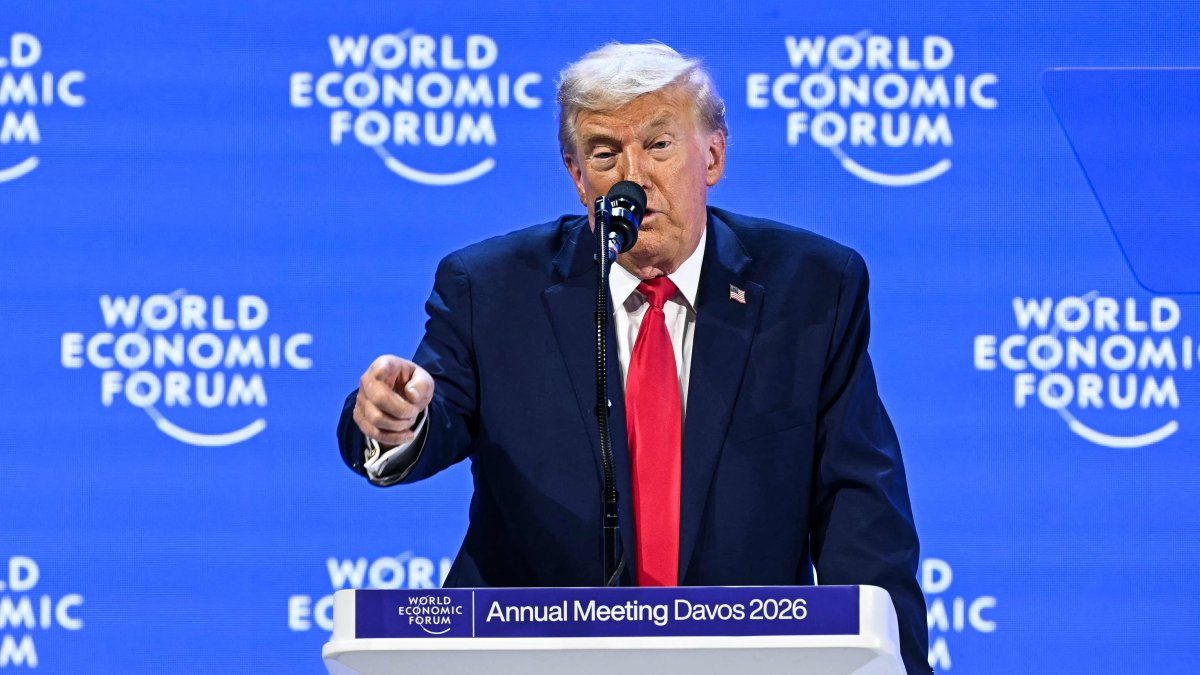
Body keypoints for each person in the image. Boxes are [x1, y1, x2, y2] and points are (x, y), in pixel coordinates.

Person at [338, 42, 931, 674]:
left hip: (747, 657)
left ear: (713, 155)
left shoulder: (810, 288)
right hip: (530, 658)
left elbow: (860, 506)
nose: (632, 178)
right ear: (576, 175)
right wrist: (396, 420)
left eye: (659, 145)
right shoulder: (490, 288)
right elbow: (436, 414)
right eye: (603, 153)